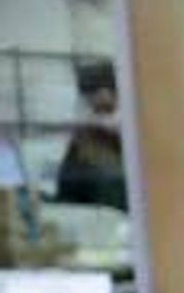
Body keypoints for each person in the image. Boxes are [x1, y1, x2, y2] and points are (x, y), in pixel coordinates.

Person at [51, 58, 130, 210]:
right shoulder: (85, 137)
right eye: (87, 98)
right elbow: (67, 190)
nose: (91, 104)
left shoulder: (134, 134)